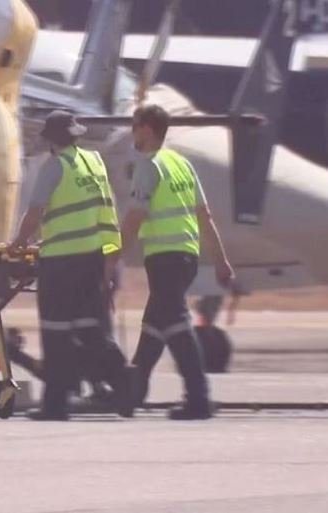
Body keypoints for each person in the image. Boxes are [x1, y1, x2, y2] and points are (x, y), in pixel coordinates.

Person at [9, 110, 133, 420]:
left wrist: (18, 244)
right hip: (91, 259)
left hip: (60, 263)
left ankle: (56, 405)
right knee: (91, 330)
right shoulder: (93, 163)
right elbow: (106, 210)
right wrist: (110, 256)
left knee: (56, 333)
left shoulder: (55, 167)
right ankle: (124, 384)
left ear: (50, 141)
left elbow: (35, 212)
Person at [119, 104, 235, 420]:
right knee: (155, 325)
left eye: (134, 125)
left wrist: (112, 257)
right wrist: (221, 261)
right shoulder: (181, 164)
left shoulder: (149, 165)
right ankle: (133, 393)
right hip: (186, 256)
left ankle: (198, 399)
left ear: (147, 129)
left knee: (176, 325)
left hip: (165, 258)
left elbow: (134, 217)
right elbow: (204, 216)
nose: (131, 132)